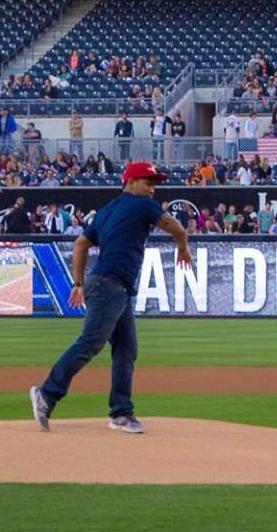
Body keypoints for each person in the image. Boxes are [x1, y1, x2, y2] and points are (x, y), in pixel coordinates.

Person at [30, 162, 191, 434]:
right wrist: (183, 248)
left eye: (154, 183)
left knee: (126, 349)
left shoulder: (106, 210)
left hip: (112, 286)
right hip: (110, 285)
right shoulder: (142, 204)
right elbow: (178, 229)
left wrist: (78, 282)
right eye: (147, 181)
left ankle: (120, 412)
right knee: (91, 342)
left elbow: (81, 243)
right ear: (129, 182)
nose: (152, 188)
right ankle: (47, 393)